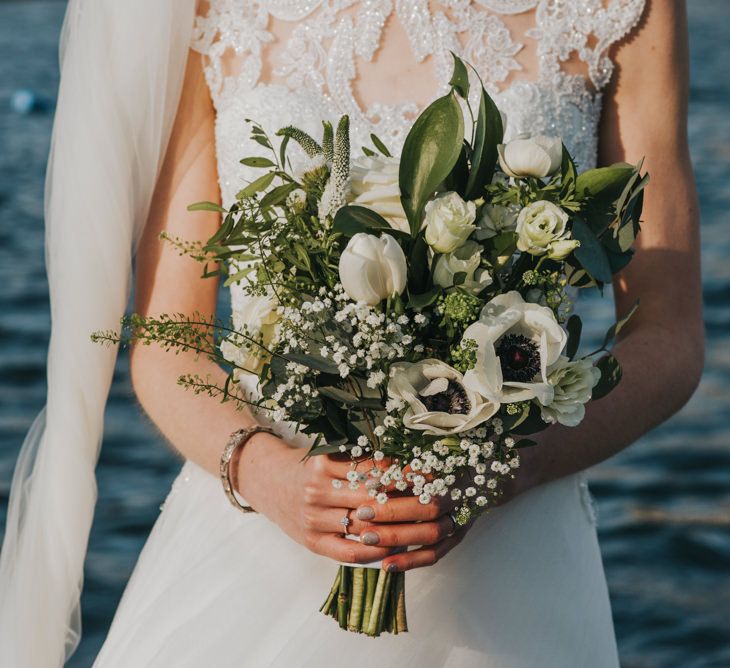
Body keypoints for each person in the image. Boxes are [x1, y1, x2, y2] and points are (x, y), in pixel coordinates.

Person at [0, 1, 704, 667]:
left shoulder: (619, 11)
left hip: (514, 559)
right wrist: (269, 477)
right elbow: (168, 342)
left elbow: (669, 336)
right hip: (260, 541)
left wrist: (508, 470)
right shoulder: (208, 13)